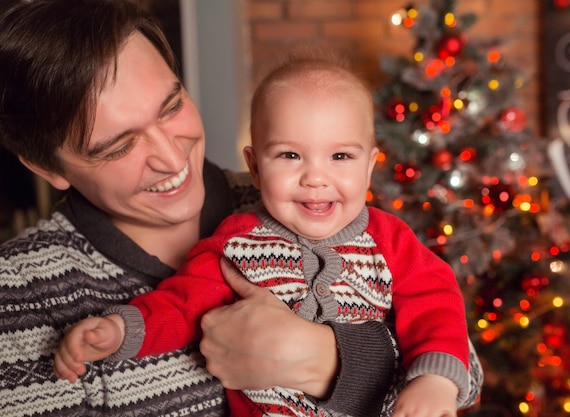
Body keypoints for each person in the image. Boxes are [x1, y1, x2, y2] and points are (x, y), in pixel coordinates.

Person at [0, 1, 434, 416]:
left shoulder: (299, 203)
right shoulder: (18, 295)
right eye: (120, 146)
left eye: (171, 107)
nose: (171, 159)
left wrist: (322, 359)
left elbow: (458, 372)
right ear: (47, 166)